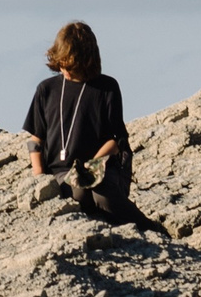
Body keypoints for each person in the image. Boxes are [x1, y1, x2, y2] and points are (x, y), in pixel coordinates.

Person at [21, 20, 136, 222]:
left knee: (103, 194)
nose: (64, 67)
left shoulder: (107, 87)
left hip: (100, 169)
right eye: (61, 61)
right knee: (80, 192)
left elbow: (115, 141)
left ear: (85, 60)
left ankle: (148, 229)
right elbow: (35, 140)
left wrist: (90, 167)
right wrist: (39, 177)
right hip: (61, 174)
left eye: (69, 63)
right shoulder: (46, 90)